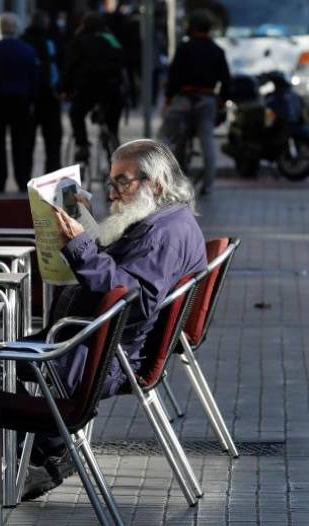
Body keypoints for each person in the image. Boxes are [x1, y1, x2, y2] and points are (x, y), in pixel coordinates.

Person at [19, 139, 207, 498]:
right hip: (98, 341)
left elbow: (132, 301)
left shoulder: (162, 235)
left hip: (107, 354)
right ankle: (41, 454)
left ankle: (43, 456)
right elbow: (127, 273)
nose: (113, 192)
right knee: (7, 355)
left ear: (156, 184)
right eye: (111, 181)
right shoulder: (162, 220)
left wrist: (80, 247)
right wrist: (87, 227)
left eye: (123, 181)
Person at [159, 10, 230, 196]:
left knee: (164, 137)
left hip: (184, 99)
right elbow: (226, 81)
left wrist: (167, 101)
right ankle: (208, 185)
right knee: (207, 143)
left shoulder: (184, 48)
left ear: (192, 27)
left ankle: (157, 178)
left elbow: (173, 77)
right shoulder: (217, 50)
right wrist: (221, 102)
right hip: (206, 101)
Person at [0, 13, 38, 192]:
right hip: (20, 100)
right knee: (20, 142)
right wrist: (32, 99)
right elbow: (33, 77)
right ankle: (22, 180)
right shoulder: (27, 49)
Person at [63, 12, 127, 163]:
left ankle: (82, 145)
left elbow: (70, 66)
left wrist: (65, 89)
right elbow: (123, 61)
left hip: (88, 88)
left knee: (76, 113)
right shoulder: (112, 39)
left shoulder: (79, 39)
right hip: (112, 89)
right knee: (111, 126)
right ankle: (113, 152)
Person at [22, 10, 63, 175]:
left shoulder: (24, 40)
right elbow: (56, 67)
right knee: (53, 141)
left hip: (28, 98)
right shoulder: (51, 40)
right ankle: (51, 176)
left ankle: (24, 176)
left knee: (26, 141)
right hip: (49, 96)